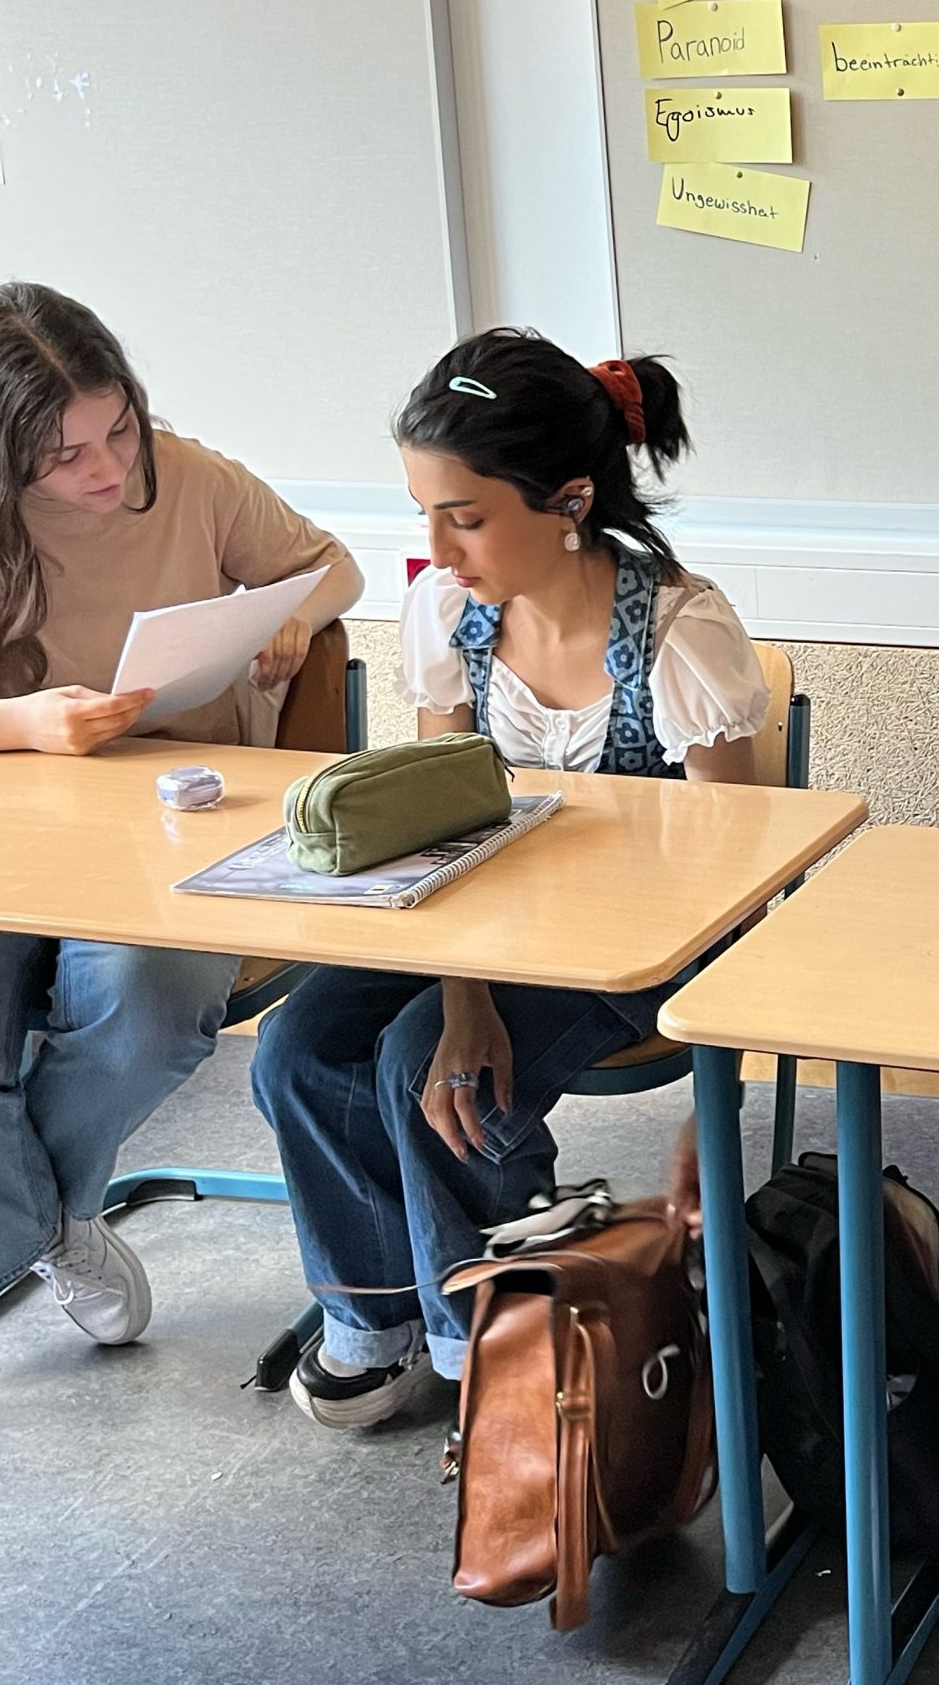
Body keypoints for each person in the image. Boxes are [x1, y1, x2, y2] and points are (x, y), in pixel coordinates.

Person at [0, 281, 362, 1344]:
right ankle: (28, 1214)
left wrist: (296, 616)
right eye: (66, 455)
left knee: (153, 1013)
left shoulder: (187, 478)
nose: (109, 471)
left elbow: (332, 564)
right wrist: (23, 723)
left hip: (167, 824)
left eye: (118, 430)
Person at [250, 328, 772, 1428]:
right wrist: (467, 992)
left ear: (570, 500)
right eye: (423, 512)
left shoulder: (681, 635)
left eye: (466, 516)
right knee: (298, 1049)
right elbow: (436, 829)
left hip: (637, 939)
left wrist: (717, 1105)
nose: (439, 549)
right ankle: (374, 1309)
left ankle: (497, 1342)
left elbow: (736, 885)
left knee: (427, 1071)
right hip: (476, 916)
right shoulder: (451, 614)